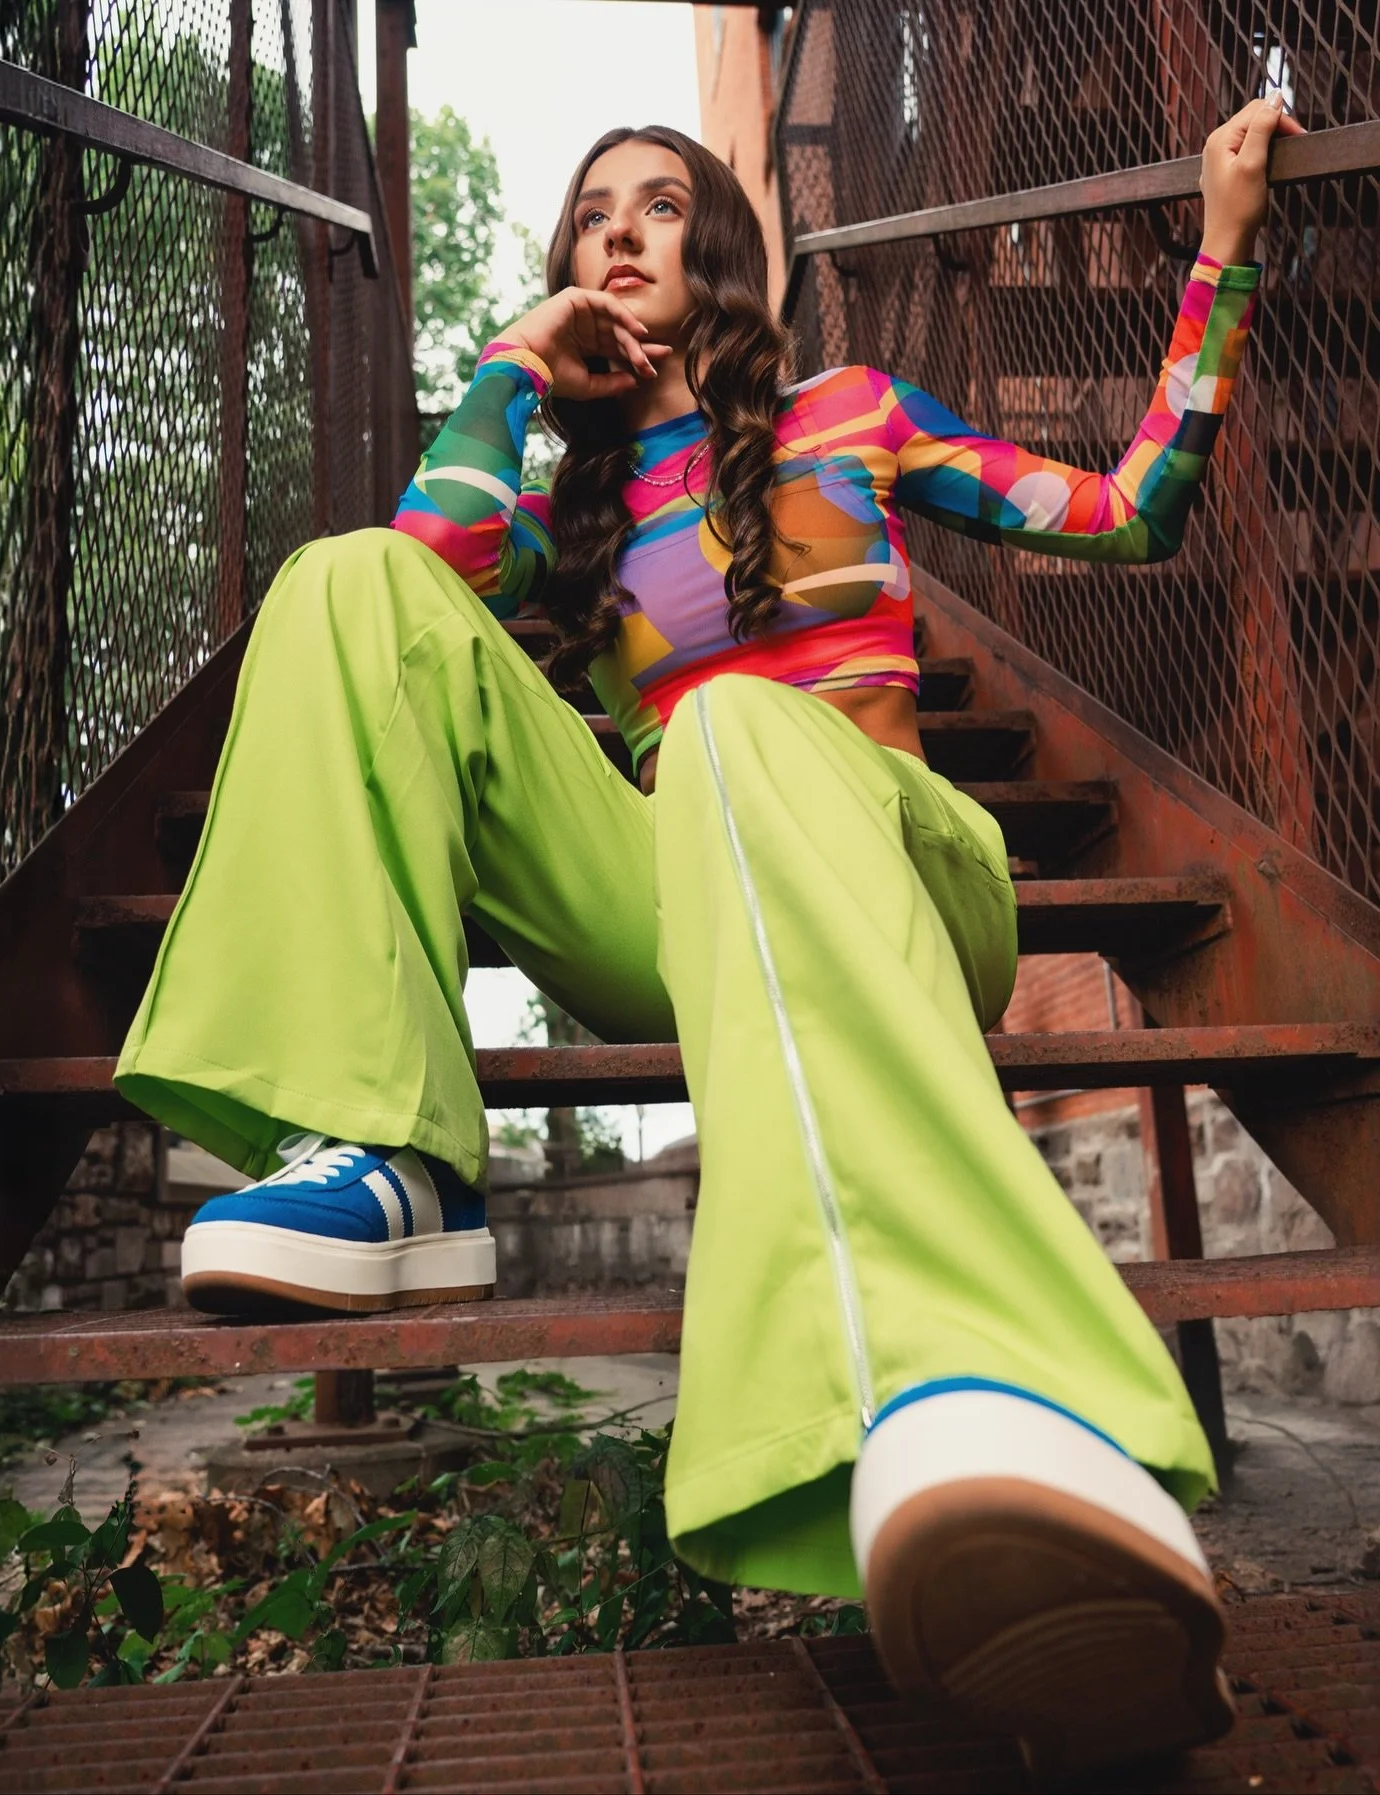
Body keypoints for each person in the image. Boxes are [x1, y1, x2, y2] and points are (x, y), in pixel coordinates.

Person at [116, 93, 1301, 1770]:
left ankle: (973, 1383)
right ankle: (388, 1151)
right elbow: (428, 563)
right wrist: (515, 370)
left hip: (896, 862)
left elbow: (1128, 511)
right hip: (676, 889)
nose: (619, 230)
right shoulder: (567, 518)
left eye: (659, 205)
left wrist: (1225, 255)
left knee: (741, 726)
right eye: (592, 212)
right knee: (342, 588)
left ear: (718, 252)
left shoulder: (851, 414)